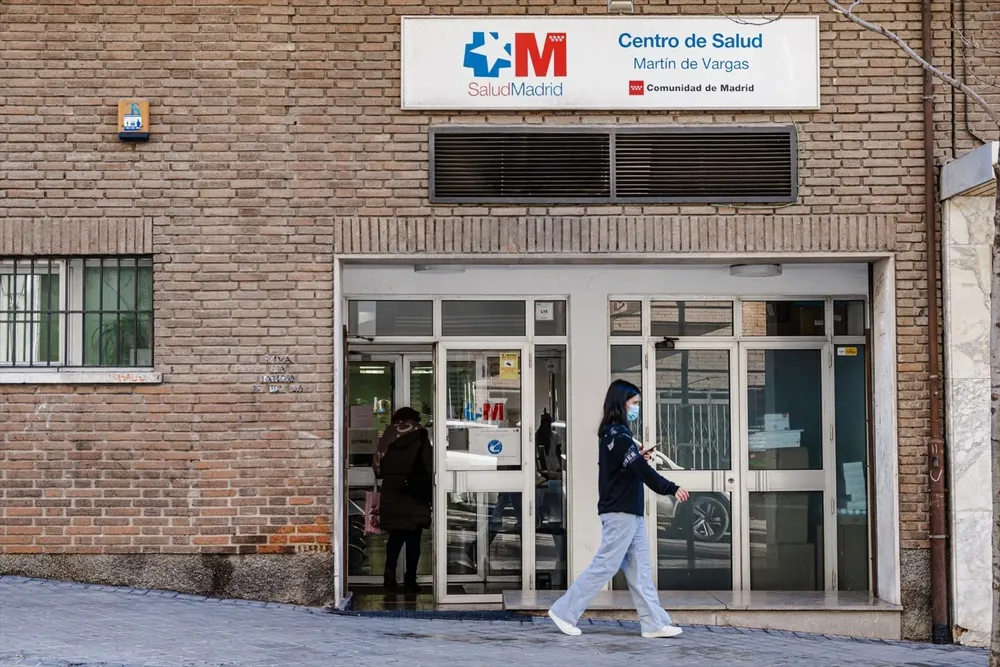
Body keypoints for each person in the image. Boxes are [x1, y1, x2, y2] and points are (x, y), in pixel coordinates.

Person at [548, 379, 689, 639]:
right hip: (620, 513)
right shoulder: (617, 434)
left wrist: (637, 457)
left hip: (629, 513)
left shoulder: (617, 436)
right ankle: (564, 611)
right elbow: (641, 470)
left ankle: (653, 623)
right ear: (621, 403)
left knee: (640, 571)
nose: (636, 408)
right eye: (634, 403)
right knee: (605, 566)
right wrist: (670, 488)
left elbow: (627, 466)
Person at [372, 407, 433, 593]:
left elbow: (378, 469)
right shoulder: (421, 435)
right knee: (414, 540)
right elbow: (428, 464)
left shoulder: (388, 436)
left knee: (395, 538)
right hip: (415, 493)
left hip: (392, 492)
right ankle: (410, 580)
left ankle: (389, 575)